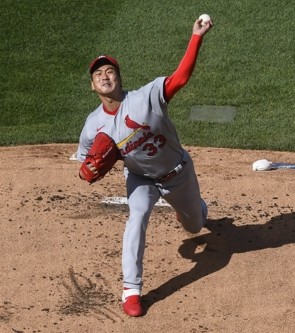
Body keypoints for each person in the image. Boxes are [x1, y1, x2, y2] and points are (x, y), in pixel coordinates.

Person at [76, 17, 213, 317]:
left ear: (119, 78)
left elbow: (180, 78)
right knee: (136, 216)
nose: (104, 76)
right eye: (98, 74)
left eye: (110, 71)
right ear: (92, 85)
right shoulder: (92, 126)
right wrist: (87, 171)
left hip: (178, 173)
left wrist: (196, 36)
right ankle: (131, 290)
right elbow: (86, 160)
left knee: (195, 225)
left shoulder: (144, 98)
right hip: (141, 178)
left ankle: (194, 209)